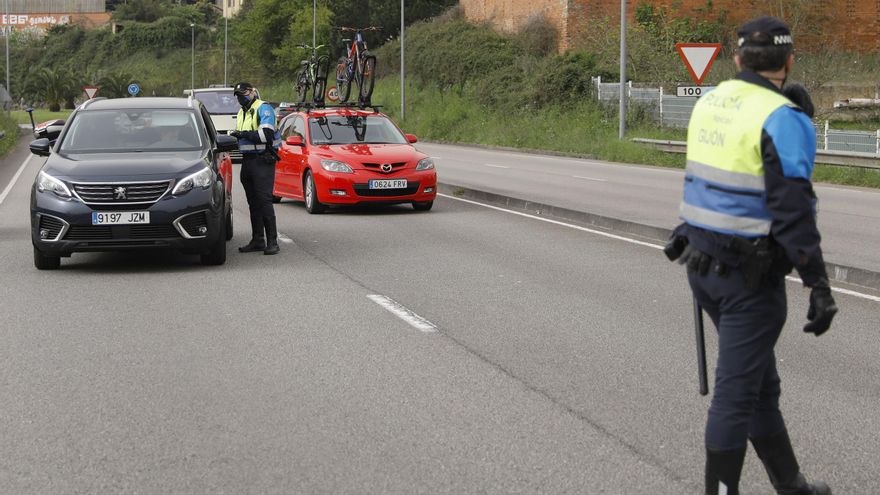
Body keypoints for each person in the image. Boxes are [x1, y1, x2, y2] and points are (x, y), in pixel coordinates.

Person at [666, 16, 838, 495]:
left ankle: (792, 486)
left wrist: (684, 231)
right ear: (789, 61)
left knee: (760, 385)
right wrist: (818, 286)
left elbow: (705, 181)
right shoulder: (783, 118)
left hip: (703, 269)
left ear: (738, 59)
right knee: (735, 397)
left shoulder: (711, 101)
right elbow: (794, 212)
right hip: (748, 281)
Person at [229, 82, 282, 255]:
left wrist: (243, 135)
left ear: (252, 92)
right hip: (248, 161)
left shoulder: (263, 108)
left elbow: (266, 135)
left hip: (262, 160)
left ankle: (272, 242)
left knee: (264, 200)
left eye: (243, 93)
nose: (240, 98)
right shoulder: (242, 111)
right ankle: (258, 239)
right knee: (253, 203)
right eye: (237, 95)